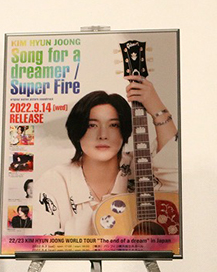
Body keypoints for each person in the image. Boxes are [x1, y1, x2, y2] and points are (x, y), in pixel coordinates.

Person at [33, 79, 178, 236]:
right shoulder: (53, 181)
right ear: (77, 130)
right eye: (92, 125)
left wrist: (156, 107)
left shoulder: (143, 168)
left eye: (114, 125)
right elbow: (42, 244)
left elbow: (174, 169)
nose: (103, 135)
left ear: (124, 130)